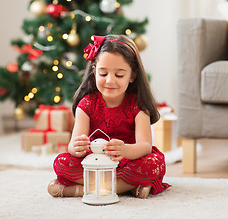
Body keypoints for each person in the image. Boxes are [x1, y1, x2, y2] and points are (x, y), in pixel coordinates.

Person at [48, 35, 170, 199]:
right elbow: (73, 147)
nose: (110, 80)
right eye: (103, 73)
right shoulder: (87, 104)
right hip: (94, 163)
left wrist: (125, 150)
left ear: (132, 75)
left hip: (127, 162)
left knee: (155, 163)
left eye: (119, 75)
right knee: (61, 162)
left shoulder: (138, 105)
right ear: (94, 70)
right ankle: (127, 188)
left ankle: (87, 189)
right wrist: (77, 147)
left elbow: (145, 146)